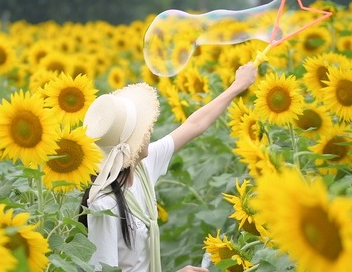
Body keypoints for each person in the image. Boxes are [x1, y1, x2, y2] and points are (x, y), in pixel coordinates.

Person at [80, 62, 258, 272]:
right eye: (142, 130)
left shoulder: (143, 168)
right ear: (131, 146)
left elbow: (194, 125)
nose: (148, 132)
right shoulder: (104, 206)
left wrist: (237, 86)